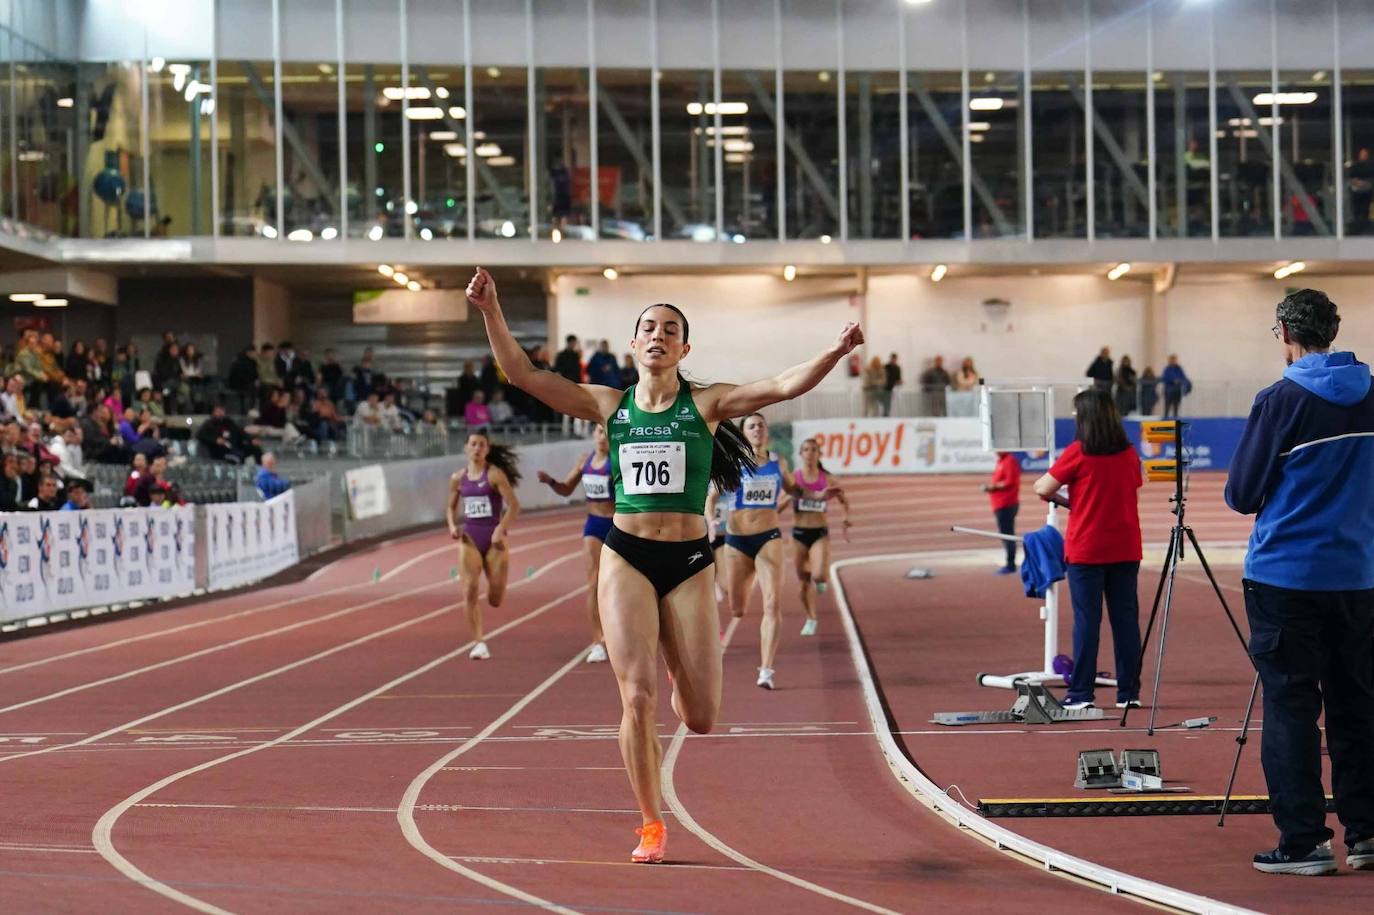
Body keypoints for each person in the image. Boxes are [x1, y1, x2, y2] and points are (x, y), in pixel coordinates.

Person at [465, 266, 861, 864]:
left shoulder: (709, 404)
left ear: (684, 347)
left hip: (690, 559)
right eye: (647, 327)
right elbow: (522, 373)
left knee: (700, 717)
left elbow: (783, 384)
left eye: (669, 329)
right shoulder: (609, 406)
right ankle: (651, 822)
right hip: (626, 555)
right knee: (635, 697)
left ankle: (683, 671)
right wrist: (491, 310)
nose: (657, 334)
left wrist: (833, 350)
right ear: (633, 344)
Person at [1224, 288, 1374, 876]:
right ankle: (1366, 833)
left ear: (1285, 332)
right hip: (1359, 576)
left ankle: (1305, 842)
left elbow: (1241, 494)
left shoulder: (1280, 400)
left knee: (1290, 709)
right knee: (1358, 704)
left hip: (1285, 577)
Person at [1032, 388, 1142, 711]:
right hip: (1124, 547)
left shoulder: (1078, 452)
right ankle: (1129, 693)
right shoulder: (1128, 453)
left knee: (1087, 622)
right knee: (1126, 622)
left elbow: (1042, 487)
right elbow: (1136, 483)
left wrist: (1068, 501)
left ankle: (1081, 693)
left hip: (1087, 549)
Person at [709, 414, 797, 690]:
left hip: (768, 537)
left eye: (761, 425)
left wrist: (816, 494)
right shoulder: (735, 464)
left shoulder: (778, 462)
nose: (758, 429)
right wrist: (711, 521)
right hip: (736, 541)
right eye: (751, 426)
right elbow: (711, 497)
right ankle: (732, 598)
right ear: (744, 434)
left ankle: (766, 669)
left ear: (766, 431)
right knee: (738, 608)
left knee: (772, 603)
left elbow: (794, 488)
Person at [537, 423, 615, 663]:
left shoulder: (620, 460)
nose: (603, 437)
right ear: (593, 435)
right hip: (593, 525)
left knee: (618, 585)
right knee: (592, 584)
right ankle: (597, 642)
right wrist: (551, 481)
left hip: (617, 526)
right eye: (599, 431)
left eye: (607, 432)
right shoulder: (585, 461)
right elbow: (566, 490)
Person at [446, 431, 521, 661]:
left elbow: (514, 505)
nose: (477, 448)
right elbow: (450, 507)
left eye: (481, 445)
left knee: (495, 599)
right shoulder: (458, 478)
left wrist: (502, 527)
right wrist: (452, 526)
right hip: (470, 537)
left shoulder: (495, 475)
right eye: (473, 444)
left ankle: (494, 591)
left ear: (487, 450)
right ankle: (478, 642)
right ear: (466, 448)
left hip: (494, 540)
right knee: (469, 589)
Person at [790, 437, 849, 635]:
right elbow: (782, 500)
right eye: (806, 449)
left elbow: (843, 499)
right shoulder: (794, 478)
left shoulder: (828, 479)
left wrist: (845, 518)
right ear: (801, 454)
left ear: (819, 454)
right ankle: (811, 618)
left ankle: (821, 579)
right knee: (803, 581)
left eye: (814, 449)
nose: (810, 453)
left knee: (818, 575)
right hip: (798, 533)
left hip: (819, 533)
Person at [983, 450, 1021, 574]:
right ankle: (1010, 562)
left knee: (1007, 535)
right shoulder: (1002, 461)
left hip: (1006, 504)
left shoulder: (1009, 461)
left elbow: (1010, 481)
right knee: (1005, 534)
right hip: (1000, 504)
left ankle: (1010, 563)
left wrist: (993, 487)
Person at [1350, 147, 1374, 236]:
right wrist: (1356, 182)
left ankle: (1364, 228)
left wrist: (1366, 183)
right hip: (1356, 193)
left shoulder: (1370, 167)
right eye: (1362, 154)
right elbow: (1350, 178)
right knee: (1357, 211)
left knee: (1365, 211)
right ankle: (1357, 228)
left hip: (1367, 192)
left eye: (1365, 154)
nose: (1363, 156)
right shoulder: (1354, 167)